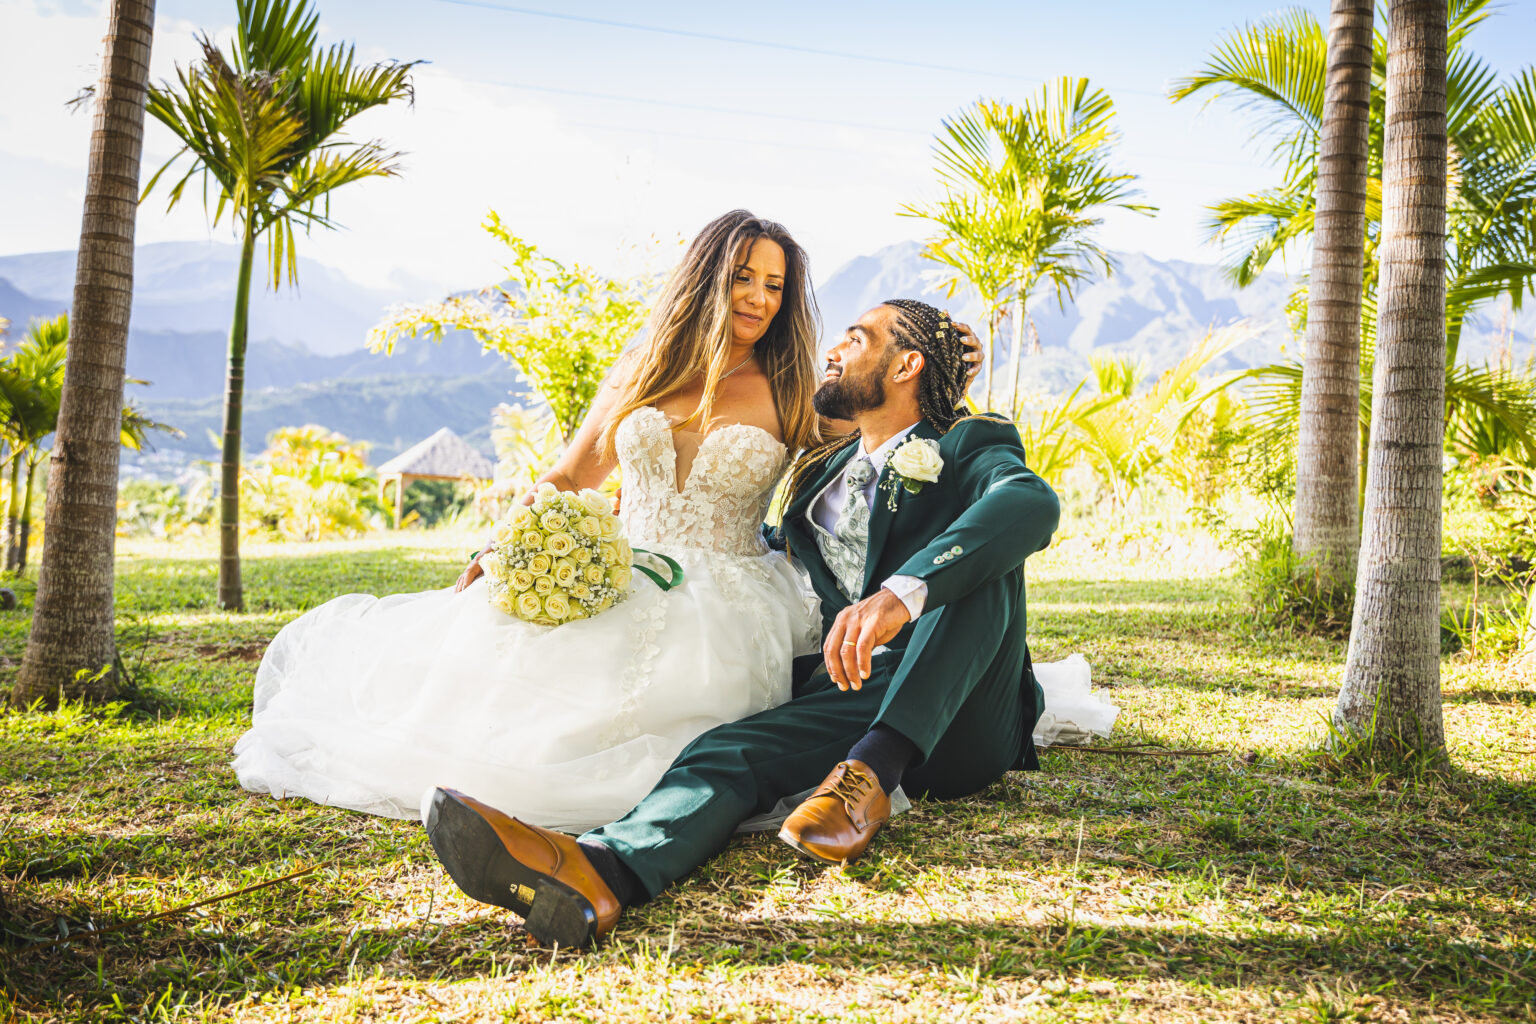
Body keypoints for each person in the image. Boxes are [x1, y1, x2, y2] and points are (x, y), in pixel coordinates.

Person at [423, 297, 1113, 951]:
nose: (834, 351)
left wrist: (900, 596)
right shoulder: (819, 476)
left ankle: (872, 773)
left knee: (985, 561)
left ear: (907, 366)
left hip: (967, 712)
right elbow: (784, 549)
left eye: (857, 339)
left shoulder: (966, 441)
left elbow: (1028, 502)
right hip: (859, 692)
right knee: (729, 749)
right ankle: (599, 872)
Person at [234, 210, 837, 828]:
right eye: (743, 277)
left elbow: (874, 440)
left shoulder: (794, 387)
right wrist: (507, 541)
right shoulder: (644, 369)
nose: (759, 298)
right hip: (615, 568)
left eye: (775, 285)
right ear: (707, 278)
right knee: (508, 683)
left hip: (727, 596)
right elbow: (571, 478)